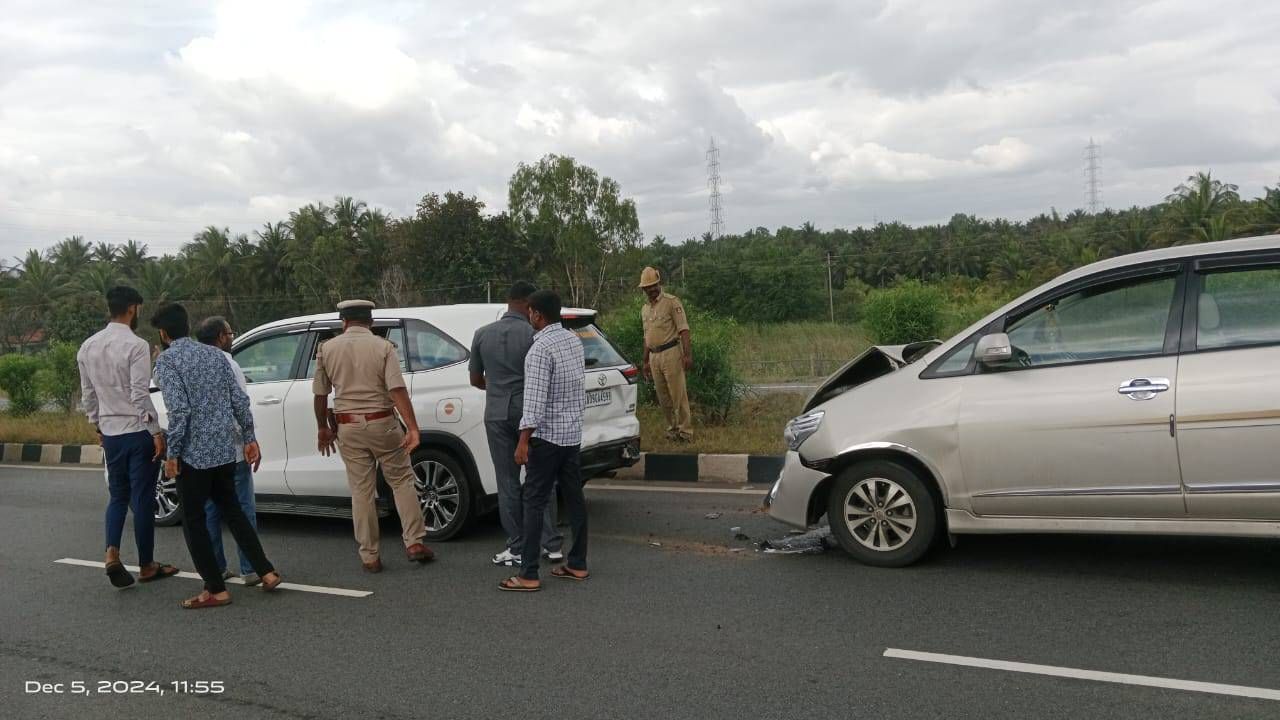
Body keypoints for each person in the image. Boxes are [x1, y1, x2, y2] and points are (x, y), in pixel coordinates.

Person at [151, 303, 282, 608]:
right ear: (186, 325)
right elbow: (239, 400)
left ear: (164, 333)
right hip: (225, 449)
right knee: (234, 512)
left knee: (194, 521)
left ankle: (215, 588)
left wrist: (174, 452)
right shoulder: (215, 355)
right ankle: (266, 571)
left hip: (194, 456)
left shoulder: (167, 362)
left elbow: (179, 410)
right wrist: (249, 438)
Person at [314, 299, 435, 572]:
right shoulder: (384, 347)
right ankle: (414, 542)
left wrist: (323, 427)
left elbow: (320, 394)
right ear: (371, 322)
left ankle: (369, 555)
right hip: (383, 424)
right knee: (402, 480)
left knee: (361, 490)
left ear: (343, 321)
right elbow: (396, 389)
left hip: (347, 427)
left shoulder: (327, 349)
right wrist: (412, 427)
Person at [77, 286, 181, 589]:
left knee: (118, 496)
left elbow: (88, 395)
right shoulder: (136, 345)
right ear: (133, 308)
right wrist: (155, 431)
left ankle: (112, 553)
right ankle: (147, 564)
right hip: (137, 432)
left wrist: (97, 426)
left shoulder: (87, 347)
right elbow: (140, 394)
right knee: (144, 498)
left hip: (110, 433)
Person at [500, 290, 590, 592]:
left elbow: (535, 402)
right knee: (574, 499)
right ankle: (578, 563)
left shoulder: (539, 350)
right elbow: (577, 388)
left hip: (548, 438)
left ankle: (528, 573)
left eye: (530, 313)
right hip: (571, 435)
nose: (529, 317)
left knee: (534, 501)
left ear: (537, 314)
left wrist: (523, 440)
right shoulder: (573, 341)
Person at [470, 282, 564, 568]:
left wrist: (498, 390)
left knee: (507, 481)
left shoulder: (482, 334)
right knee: (541, 478)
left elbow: (475, 379)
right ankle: (551, 545)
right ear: (526, 304)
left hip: (496, 412)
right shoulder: (534, 335)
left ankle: (516, 547)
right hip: (530, 414)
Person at [194, 316, 260, 586]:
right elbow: (240, 406)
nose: (232, 338)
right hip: (231, 449)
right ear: (221, 337)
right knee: (242, 508)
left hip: (204, 453)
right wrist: (249, 439)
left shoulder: (193, 365)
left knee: (210, 509)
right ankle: (251, 568)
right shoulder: (228, 364)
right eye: (231, 333)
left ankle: (216, 568)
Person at [639, 267, 694, 442]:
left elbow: (684, 329)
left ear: (659, 283)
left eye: (654, 285)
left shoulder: (672, 302)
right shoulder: (645, 309)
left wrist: (687, 355)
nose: (651, 289)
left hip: (671, 353)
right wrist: (645, 360)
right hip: (654, 357)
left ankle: (685, 432)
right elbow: (646, 336)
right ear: (643, 289)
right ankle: (672, 429)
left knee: (678, 394)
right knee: (663, 397)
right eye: (648, 287)